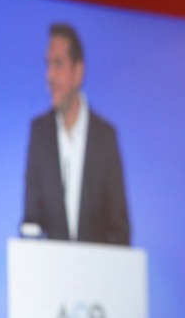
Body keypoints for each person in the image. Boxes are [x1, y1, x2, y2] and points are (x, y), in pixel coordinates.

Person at [22, 23, 130, 245]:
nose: (50, 76)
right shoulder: (39, 133)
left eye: (58, 64)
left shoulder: (105, 137)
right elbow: (31, 220)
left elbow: (119, 228)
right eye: (48, 64)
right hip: (50, 267)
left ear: (78, 71)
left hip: (98, 267)